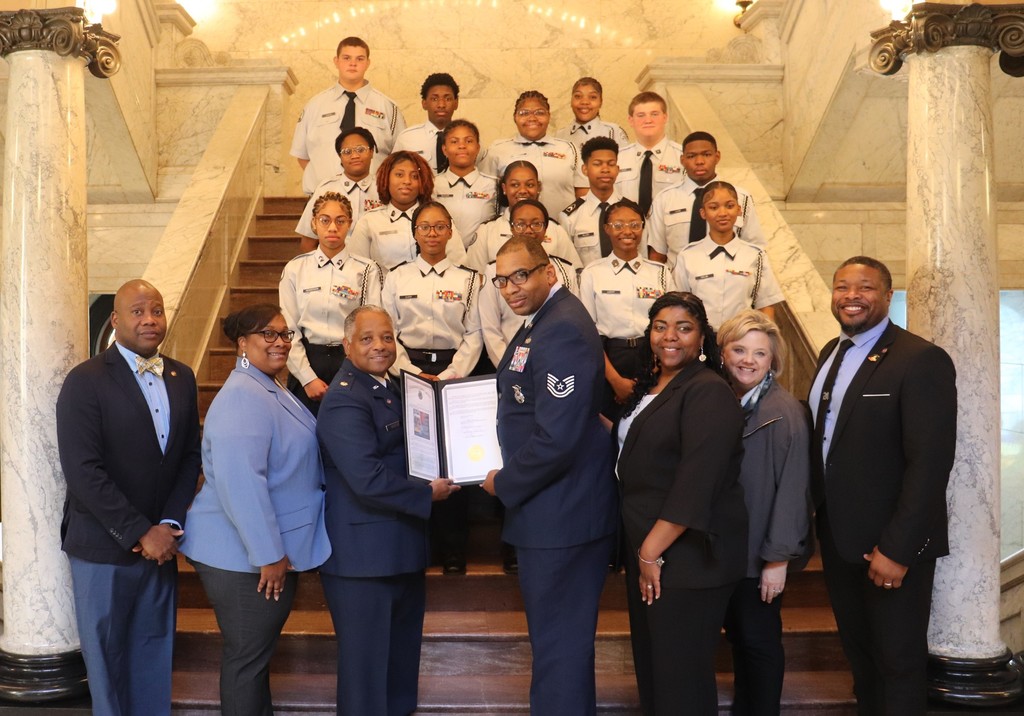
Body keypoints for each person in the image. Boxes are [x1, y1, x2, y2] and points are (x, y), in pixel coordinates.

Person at [810, 256, 957, 716]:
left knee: (898, 664)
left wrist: (898, 548)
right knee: (863, 660)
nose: (851, 296)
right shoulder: (829, 352)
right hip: (839, 540)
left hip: (890, 546)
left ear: (888, 296)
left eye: (865, 287)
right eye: (842, 287)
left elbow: (930, 464)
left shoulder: (921, 359)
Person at [482, 236, 618, 715]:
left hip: (562, 513)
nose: (511, 288)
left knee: (560, 646)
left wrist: (504, 483)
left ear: (549, 272)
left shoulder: (561, 328)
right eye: (502, 280)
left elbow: (557, 438)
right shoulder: (543, 321)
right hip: (552, 510)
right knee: (557, 645)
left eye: (521, 275)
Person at [55, 279, 201, 716]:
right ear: (115, 321)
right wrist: (140, 531)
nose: (150, 320)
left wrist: (169, 524)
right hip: (104, 547)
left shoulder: (182, 376)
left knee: (154, 654)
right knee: (107, 661)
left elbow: (188, 456)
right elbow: (83, 471)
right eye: (138, 312)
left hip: (161, 547)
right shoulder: (85, 381)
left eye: (156, 310)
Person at [179, 304, 331, 716]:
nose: (280, 342)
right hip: (241, 557)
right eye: (268, 334)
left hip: (258, 551)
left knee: (254, 659)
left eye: (285, 334)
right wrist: (269, 554)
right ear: (242, 344)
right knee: (247, 661)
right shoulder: (242, 397)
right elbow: (242, 484)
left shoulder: (269, 386)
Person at [317, 305, 459, 715]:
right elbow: (367, 478)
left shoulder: (392, 386)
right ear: (346, 345)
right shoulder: (345, 398)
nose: (379, 346)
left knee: (399, 669)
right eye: (367, 339)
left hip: (398, 548)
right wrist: (426, 494)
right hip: (363, 559)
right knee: (366, 678)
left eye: (386, 337)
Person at [615, 291, 747, 715]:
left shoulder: (708, 391)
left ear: (702, 338)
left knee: (681, 684)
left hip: (687, 559)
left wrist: (649, 553)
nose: (669, 336)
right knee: (656, 676)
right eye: (660, 327)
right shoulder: (656, 384)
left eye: (683, 328)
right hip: (650, 552)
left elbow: (697, 483)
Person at [717, 309, 814, 716]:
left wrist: (777, 560)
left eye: (759, 353)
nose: (748, 360)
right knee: (741, 641)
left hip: (760, 556)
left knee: (758, 645)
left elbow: (794, 490)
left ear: (773, 360)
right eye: (739, 349)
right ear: (722, 352)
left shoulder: (784, 411)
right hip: (731, 550)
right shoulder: (724, 400)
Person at [280, 191, 385, 415]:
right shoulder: (295, 269)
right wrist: (308, 379)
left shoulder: (366, 270)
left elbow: (370, 328)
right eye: (325, 220)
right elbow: (289, 329)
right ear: (314, 223)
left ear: (350, 224)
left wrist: (353, 372)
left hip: (350, 362)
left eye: (340, 221)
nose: (333, 228)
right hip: (307, 362)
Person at [579, 199, 674, 419]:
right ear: (606, 229)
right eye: (618, 225)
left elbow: (671, 324)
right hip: (609, 359)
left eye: (634, 225)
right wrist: (616, 381)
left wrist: (653, 371)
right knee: (611, 425)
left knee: (653, 422)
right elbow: (588, 334)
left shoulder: (660, 272)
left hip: (653, 357)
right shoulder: (593, 273)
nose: (627, 231)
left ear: (643, 227)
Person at [380, 201, 483, 381]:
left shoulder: (469, 280)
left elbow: (474, 334)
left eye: (440, 227)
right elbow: (388, 332)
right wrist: (411, 373)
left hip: (454, 368)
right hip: (405, 367)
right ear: (414, 233)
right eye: (424, 227)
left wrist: (450, 374)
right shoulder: (396, 276)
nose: (432, 233)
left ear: (450, 232)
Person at [290, 37, 405, 194]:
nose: (353, 63)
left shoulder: (387, 107)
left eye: (359, 59)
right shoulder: (315, 105)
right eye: (346, 58)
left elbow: (400, 157)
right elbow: (302, 155)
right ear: (336, 61)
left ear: (368, 63)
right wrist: (325, 186)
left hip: (373, 197)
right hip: (324, 198)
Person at [672, 180, 784, 330]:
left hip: (742, 338)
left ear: (739, 210)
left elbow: (766, 306)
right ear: (703, 213)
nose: (723, 213)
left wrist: (764, 338)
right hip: (700, 338)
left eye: (729, 206)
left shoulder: (756, 256)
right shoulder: (688, 256)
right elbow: (679, 307)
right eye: (713, 207)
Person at [648, 131, 766, 265]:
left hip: (727, 276)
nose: (699, 161)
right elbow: (657, 255)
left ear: (717, 157)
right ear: (682, 160)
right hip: (678, 277)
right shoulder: (664, 199)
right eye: (691, 156)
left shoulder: (741, 198)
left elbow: (755, 249)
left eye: (706, 154)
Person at [348, 150, 466, 270]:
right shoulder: (369, 221)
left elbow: (458, 266)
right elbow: (356, 269)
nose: (407, 181)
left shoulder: (440, 219)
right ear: (386, 178)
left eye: (415, 176)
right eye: (399, 175)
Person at [481, 90, 585, 219]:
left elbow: (583, 195)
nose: (532, 118)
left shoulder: (569, 149)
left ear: (549, 116)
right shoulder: (497, 150)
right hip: (512, 228)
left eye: (539, 113)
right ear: (515, 117)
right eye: (524, 113)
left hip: (561, 227)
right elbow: (487, 195)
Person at [466, 163, 580, 274]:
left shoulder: (555, 229)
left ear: (538, 187)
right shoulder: (486, 231)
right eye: (515, 185)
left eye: (530, 185)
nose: (523, 190)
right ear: (504, 188)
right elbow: (476, 276)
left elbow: (572, 273)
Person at [294, 127, 382, 254]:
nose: (355, 156)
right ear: (340, 157)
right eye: (347, 152)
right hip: (335, 264)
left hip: (376, 263)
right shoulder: (325, 189)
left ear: (372, 152)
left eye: (361, 149)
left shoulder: (384, 188)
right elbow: (308, 243)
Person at [559, 136, 626, 267]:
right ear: (585, 170)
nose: (605, 169)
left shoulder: (632, 211)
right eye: (597, 164)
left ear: (617, 169)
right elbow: (567, 265)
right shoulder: (570, 217)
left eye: (611, 164)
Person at [433, 119, 499, 249]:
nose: (462, 146)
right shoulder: (432, 185)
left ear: (478, 148)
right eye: (454, 141)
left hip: (482, 255)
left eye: (468, 141)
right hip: (442, 255)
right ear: (444, 149)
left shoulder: (493, 185)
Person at [615, 92, 684, 216]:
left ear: (665, 117)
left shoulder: (682, 157)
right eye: (641, 115)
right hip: (628, 226)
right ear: (631, 120)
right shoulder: (618, 159)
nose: (648, 120)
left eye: (654, 114)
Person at [393, 73, 460, 174]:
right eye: (434, 99)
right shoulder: (406, 138)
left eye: (448, 99)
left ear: (456, 103)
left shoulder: (468, 139)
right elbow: (394, 174)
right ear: (424, 103)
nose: (441, 105)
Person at [555, 76, 629, 152]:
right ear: (571, 101)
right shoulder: (560, 135)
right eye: (578, 96)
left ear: (600, 102)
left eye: (592, 97)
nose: (584, 102)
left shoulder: (613, 132)